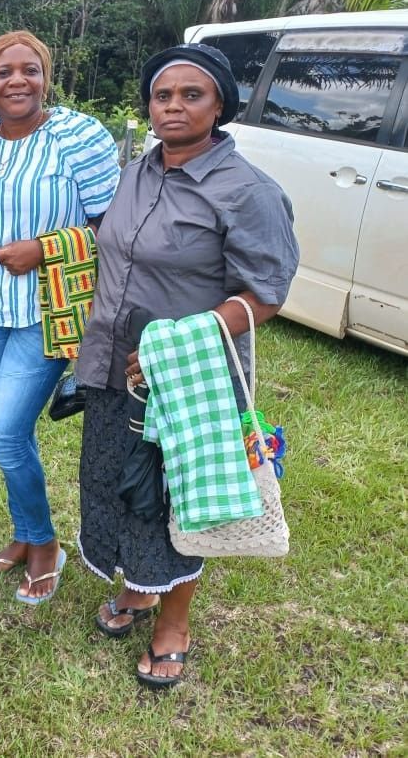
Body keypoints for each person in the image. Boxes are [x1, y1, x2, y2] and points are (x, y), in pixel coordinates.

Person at [74, 43, 298, 687]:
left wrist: (179, 341)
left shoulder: (248, 191)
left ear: (219, 106)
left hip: (185, 380)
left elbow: (266, 294)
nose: (173, 106)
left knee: (178, 499)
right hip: (114, 368)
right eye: (162, 95)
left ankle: (174, 621)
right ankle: (140, 586)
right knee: (120, 483)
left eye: (191, 95)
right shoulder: (136, 173)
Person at [0, 31, 119, 601]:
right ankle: (24, 536)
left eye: (30, 70)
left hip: (46, 314)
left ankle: (45, 544)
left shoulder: (78, 136)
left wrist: (43, 249)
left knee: (1, 436)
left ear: (46, 78)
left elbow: (115, 226)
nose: (17, 80)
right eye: (4, 73)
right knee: (14, 435)